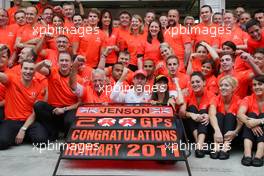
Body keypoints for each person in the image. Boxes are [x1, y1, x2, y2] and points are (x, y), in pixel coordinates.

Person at [0, 60, 47, 150]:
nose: (28, 71)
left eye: (31, 69)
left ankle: (20, 135)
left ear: (35, 71)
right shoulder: (12, 79)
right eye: (25, 68)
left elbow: (34, 113)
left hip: (29, 122)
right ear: (21, 70)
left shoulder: (39, 86)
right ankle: (18, 136)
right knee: (2, 143)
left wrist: (23, 129)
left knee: (42, 142)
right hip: (11, 121)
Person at [34, 52, 81, 140]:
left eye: (66, 60)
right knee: (39, 105)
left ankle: (67, 136)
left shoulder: (77, 79)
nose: (64, 63)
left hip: (68, 109)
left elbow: (80, 103)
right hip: (54, 109)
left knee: (70, 120)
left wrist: (63, 109)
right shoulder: (52, 72)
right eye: (61, 60)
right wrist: (43, 62)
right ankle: (53, 132)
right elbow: (35, 69)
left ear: (71, 63)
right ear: (58, 62)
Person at [209, 75, 243, 159]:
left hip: (232, 135)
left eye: (226, 85)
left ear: (233, 89)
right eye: (221, 85)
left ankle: (225, 148)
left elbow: (241, 119)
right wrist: (217, 131)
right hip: (217, 134)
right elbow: (211, 115)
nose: (222, 87)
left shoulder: (239, 101)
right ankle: (216, 147)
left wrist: (235, 132)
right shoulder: (215, 99)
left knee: (230, 116)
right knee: (219, 115)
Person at [185, 71, 214, 158]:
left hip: (206, 129)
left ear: (204, 82)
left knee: (203, 112)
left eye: (198, 81)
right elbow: (181, 113)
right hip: (191, 128)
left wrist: (208, 115)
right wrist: (191, 114)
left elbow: (214, 112)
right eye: (193, 82)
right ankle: (200, 145)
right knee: (191, 109)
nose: (195, 84)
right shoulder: (187, 93)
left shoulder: (211, 95)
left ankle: (199, 146)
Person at [237, 75, 264, 167]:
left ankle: (259, 154)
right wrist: (250, 122)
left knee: (261, 116)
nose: (257, 87)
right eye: (254, 85)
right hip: (250, 134)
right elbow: (240, 114)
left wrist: (259, 121)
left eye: (260, 84)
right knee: (250, 115)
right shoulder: (248, 98)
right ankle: (247, 153)